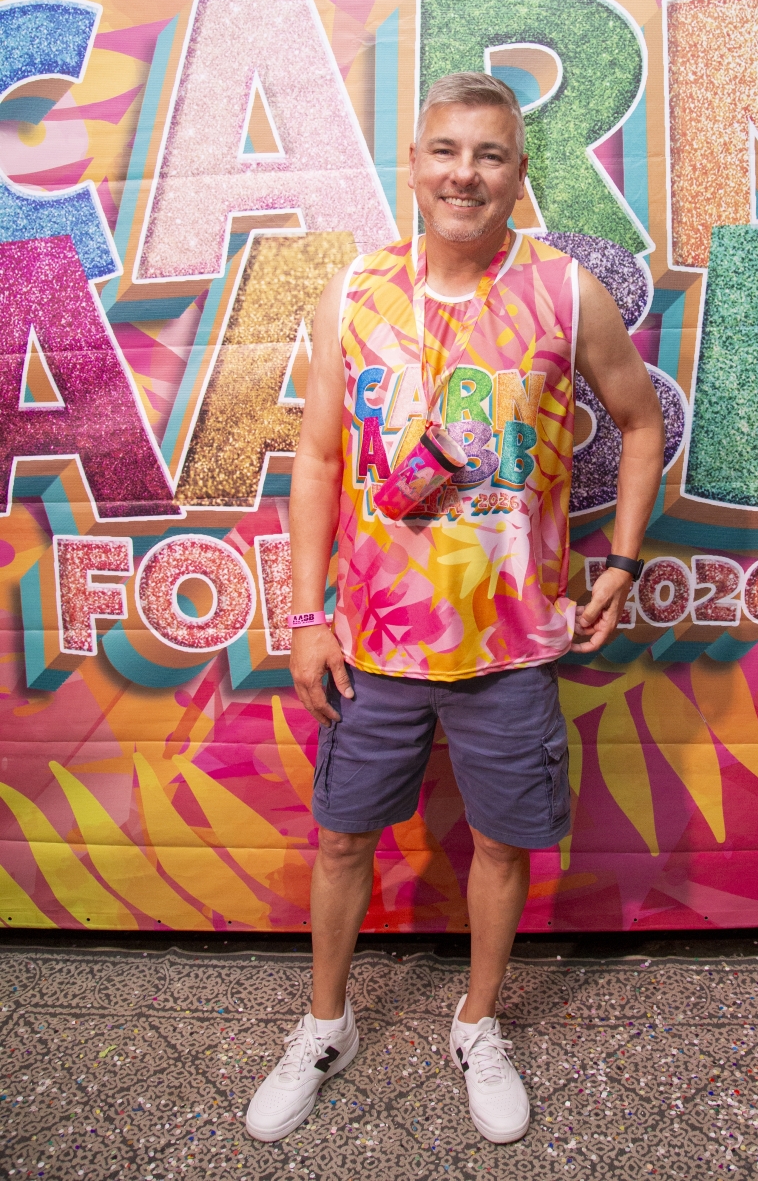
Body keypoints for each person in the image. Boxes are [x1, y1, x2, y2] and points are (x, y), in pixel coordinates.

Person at [246, 72, 665, 1147]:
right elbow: (319, 459)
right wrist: (305, 617)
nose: (464, 173)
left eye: (488, 154)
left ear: (519, 174)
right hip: (373, 646)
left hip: (513, 648)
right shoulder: (354, 291)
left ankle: (478, 1025)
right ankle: (326, 1025)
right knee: (343, 843)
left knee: (503, 846)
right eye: (445, 150)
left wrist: (621, 563)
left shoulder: (565, 291)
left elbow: (640, 420)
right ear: (415, 165)